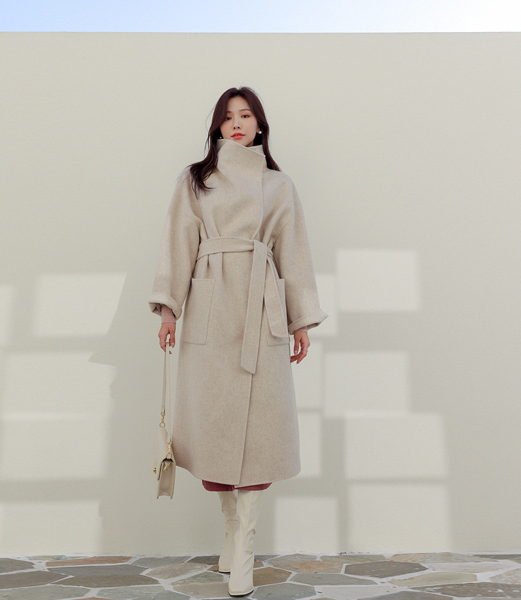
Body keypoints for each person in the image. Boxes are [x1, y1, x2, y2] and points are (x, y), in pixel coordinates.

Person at [148, 86, 328, 596]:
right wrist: (169, 309)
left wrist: (299, 321)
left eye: (245, 115)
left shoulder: (279, 184)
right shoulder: (195, 180)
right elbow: (177, 242)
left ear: (259, 124)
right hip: (210, 308)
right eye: (228, 117)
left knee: (260, 433)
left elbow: (293, 252)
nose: (236, 123)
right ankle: (231, 531)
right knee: (214, 429)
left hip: (261, 308)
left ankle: (244, 547)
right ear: (217, 126)